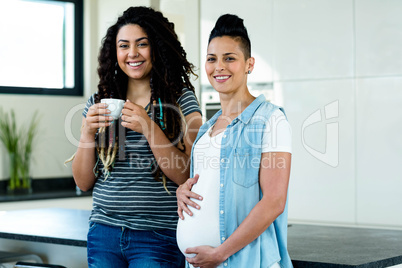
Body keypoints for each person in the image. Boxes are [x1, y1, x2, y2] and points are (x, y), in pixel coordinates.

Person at [70, 6, 202, 268]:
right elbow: (83, 182)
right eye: (124, 45)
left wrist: (149, 127)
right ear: (114, 52)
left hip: (158, 235)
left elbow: (187, 173)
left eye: (142, 44)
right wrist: (87, 132)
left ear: (158, 47)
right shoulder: (100, 102)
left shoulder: (181, 99)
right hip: (104, 232)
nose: (132, 53)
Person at [176, 14, 293, 268]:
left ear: (249, 64)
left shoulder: (270, 120)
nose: (219, 67)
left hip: (243, 262)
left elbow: (274, 201)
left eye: (229, 58)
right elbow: (211, 185)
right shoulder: (207, 130)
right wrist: (183, 191)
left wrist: (220, 253)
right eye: (212, 59)